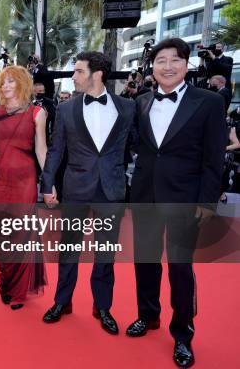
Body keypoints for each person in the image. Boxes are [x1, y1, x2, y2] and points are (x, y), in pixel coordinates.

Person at [127, 38, 226, 368]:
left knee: (181, 268)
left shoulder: (209, 102)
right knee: (145, 261)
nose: (167, 67)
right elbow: (139, 147)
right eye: (160, 61)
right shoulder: (141, 101)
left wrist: (208, 201)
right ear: (152, 67)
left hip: (185, 198)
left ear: (186, 65)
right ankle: (148, 315)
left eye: (174, 60)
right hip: (144, 196)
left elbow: (214, 159)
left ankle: (183, 334)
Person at [41, 51, 135, 334]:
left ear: (98, 74)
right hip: (76, 188)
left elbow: (139, 145)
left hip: (111, 188)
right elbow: (56, 149)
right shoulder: (67, 109)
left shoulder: (128, 107)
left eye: (79, 71)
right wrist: (47, 185)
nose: (73, 77)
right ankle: (62, 301)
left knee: (105, 251)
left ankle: (102, 306)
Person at [0, 65, 48, 310]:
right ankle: (6, 282)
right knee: (3, 236)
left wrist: (49, 182)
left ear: (23, 84)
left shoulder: (37, 113)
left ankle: (18, 291)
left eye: (12, 81)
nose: (6, 86)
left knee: (21, 234)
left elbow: (41, 150)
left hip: (25, 181)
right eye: (3, 82)